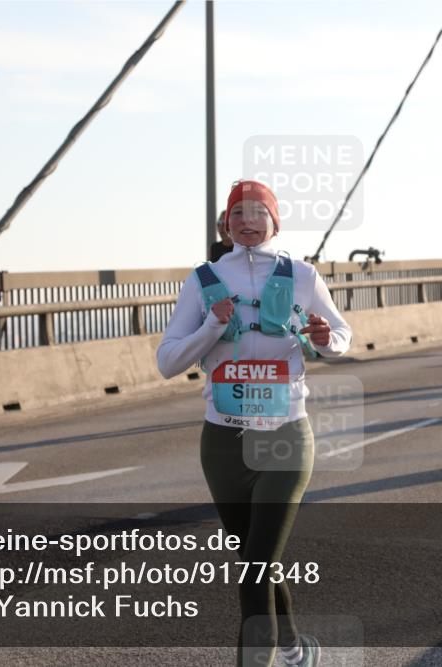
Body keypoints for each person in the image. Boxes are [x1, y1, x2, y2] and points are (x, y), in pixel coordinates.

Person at [158, 180, 351, 667]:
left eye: (257, 213)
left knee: (255, 567)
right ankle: (292, 648)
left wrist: (325, 338)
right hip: (223, 443)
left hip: (285, 437)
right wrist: (210, 327)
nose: (247, 222)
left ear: (274, 221)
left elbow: (342, 338)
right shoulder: (202, 280)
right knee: (257, 561)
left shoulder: (303, 276)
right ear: (225, 224)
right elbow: (166, 362)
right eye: (237, 214)